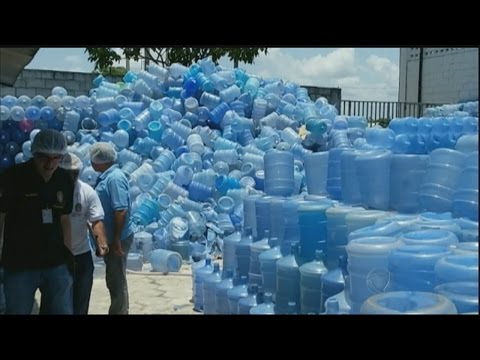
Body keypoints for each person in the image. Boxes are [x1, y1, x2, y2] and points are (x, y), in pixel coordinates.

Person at [0, 129, 74, 315]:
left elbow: (65, 219)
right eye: (44, 157)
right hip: (20, 264)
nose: (50, 164)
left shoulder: (64, 179)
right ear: (34, 154)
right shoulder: (13, 177)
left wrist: (69, 255)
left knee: (61, 311)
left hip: (56, 263)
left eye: (56, 157)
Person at [58, 152, 109, 315]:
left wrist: (101, 243)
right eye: (67, 173)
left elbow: (96, 220)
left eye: (75, 173)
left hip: (81, 255)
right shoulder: (50, 191)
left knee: (81, 301)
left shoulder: (87, 192)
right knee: (58, 302)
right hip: (55, 256)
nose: (71, 176)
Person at [89, 142, 134, 315]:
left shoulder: (114, 178)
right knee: (114, 278)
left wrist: (115, 239)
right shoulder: (107, 177)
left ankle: (119, 312)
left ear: (100, 160)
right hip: (114, 236)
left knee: (116, 280)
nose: (91, 162)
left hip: (118, 238)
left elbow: (121, 210)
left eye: (93, 158)